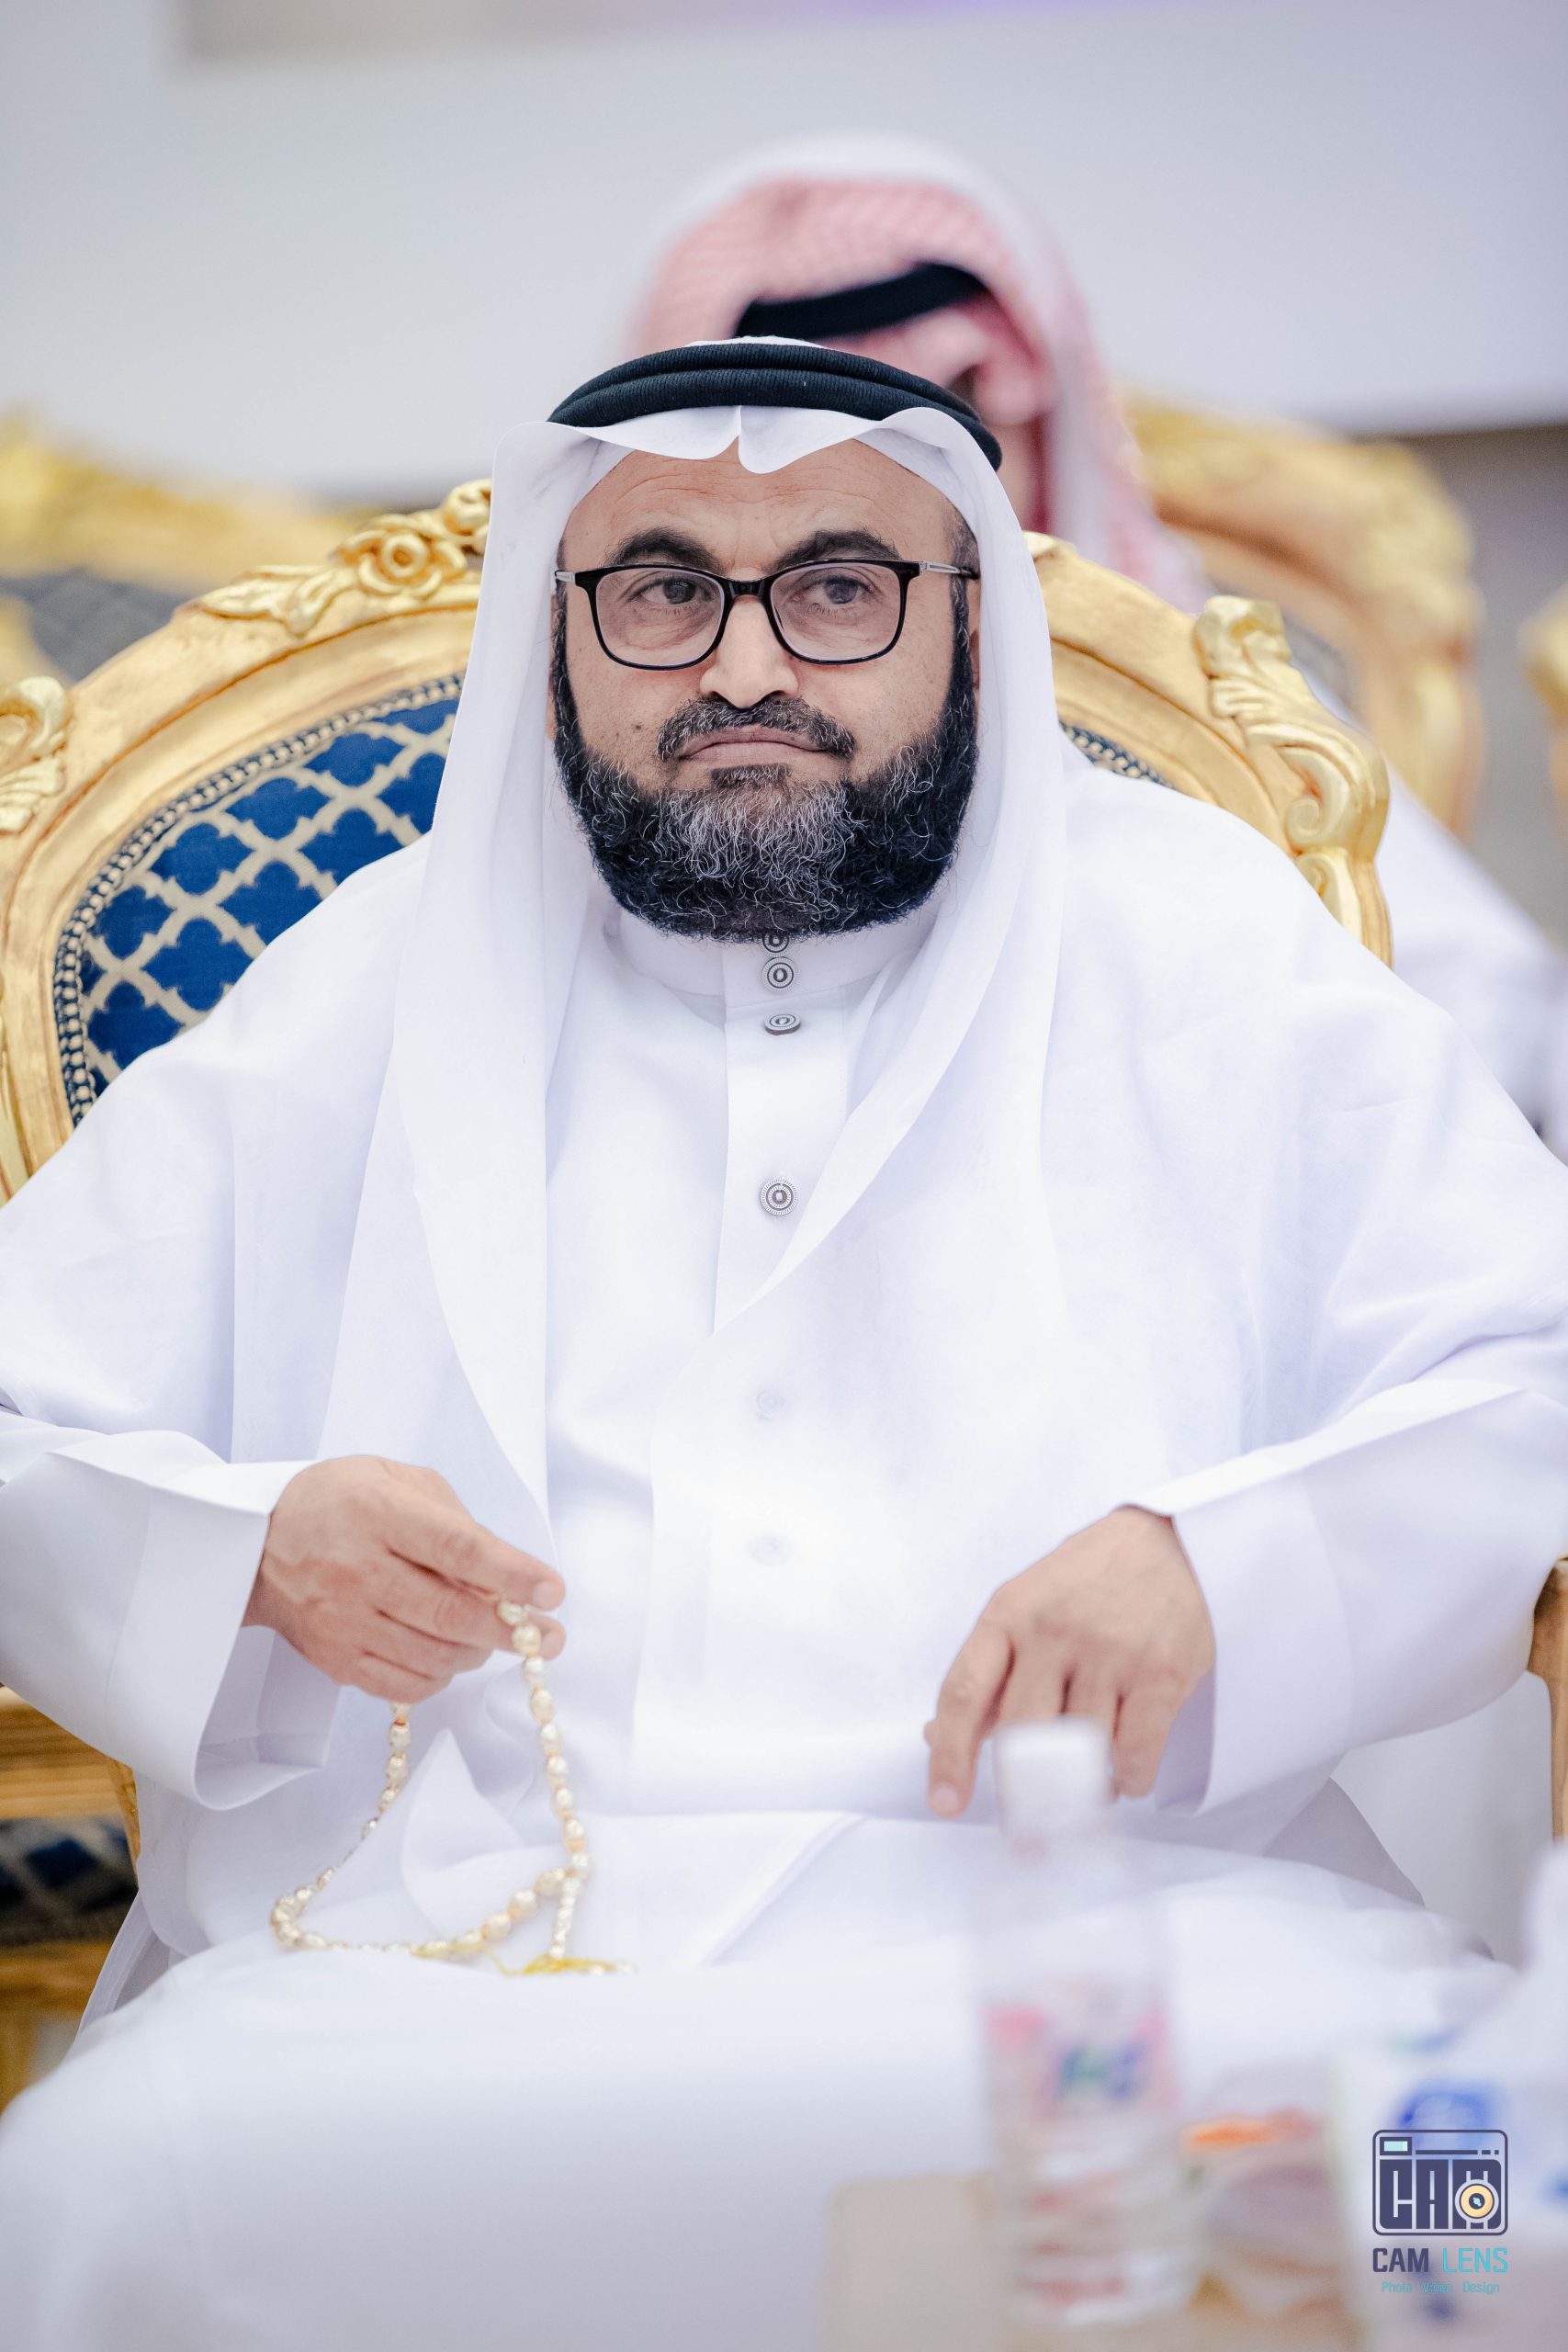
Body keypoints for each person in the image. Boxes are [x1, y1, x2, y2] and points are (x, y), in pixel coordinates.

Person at [0, 343, 1565, 2349]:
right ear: (559, 636)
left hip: (1133, 1929)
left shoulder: (1195, 944)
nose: (745, 663)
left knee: (1439, 2184)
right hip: (471, 1963)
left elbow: (1529, 1366)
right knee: (96, 2188)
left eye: (836, 585)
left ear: (966, 625)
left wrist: (1218, 1557)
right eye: (662, 589)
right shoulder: (368, 982)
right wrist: (247, 1548)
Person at [628, 135, 1568, 1160]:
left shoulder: (1205, 688)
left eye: (953, 412)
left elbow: (1486, 1017)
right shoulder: (651, 724)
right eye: (822, 439)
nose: (904, 485)